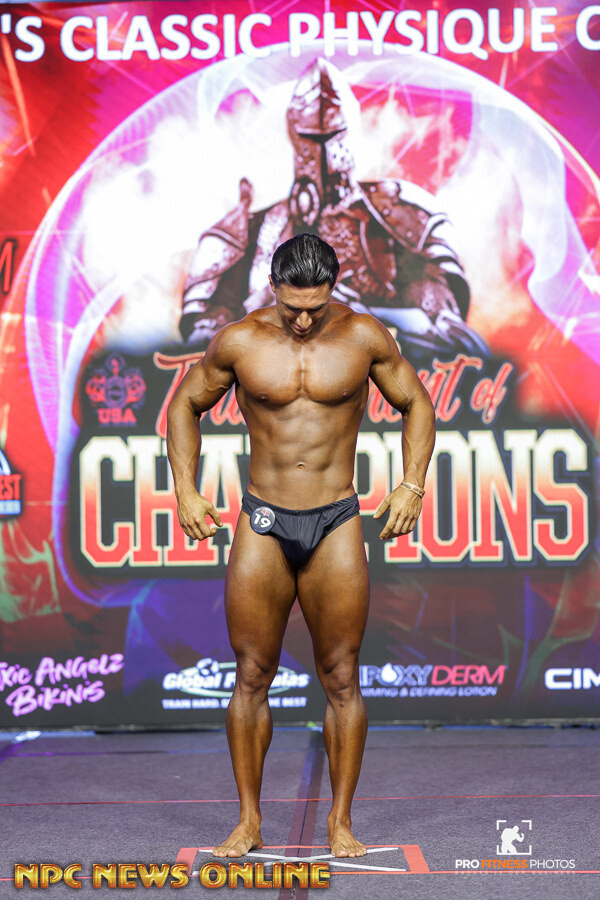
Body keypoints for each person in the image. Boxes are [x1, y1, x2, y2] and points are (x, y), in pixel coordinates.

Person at [167, 233, 435, 859]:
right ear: (273, 288)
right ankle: (248, 821)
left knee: (341, 676)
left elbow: (416, 404)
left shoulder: (364, 336)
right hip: (263, 518)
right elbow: (185, 405)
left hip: (335, 519)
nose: (305, 320)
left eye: (316, 306)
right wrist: (186, 491)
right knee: (251, 674)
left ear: (333, 288)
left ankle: (340, 821)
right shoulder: (240, 341)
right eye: (293, 307)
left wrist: (412, 485)